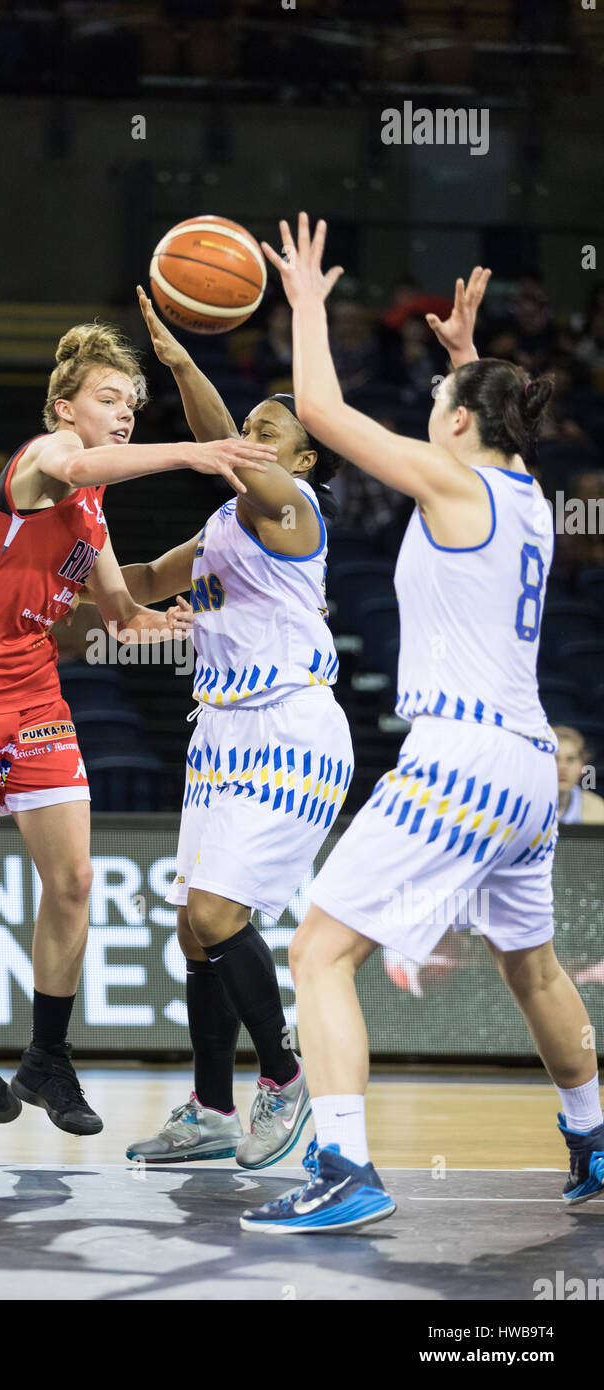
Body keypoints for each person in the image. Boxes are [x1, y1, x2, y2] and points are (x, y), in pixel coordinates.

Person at [240, 218, 603, 1234]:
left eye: (439, 403)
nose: (430, 412)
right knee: (527, 963)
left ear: (451, 428)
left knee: (316, 952)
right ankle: (593, 1131)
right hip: (535, 764)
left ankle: (345, 1166)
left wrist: (306, 304)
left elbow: (315, 407)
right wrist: (468, 363)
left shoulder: (448, 479)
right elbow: (498, 415)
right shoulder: (527, 493)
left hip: (463, 754)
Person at [0, 321, 274, 1139]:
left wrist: (184, 620)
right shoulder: (44, 459)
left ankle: (47, 1056)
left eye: (133, 403)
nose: (126, 413)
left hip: (28, 685)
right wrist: (194, 453)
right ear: (66, 409)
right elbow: (83, 463)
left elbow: (122, 615)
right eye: (110, 399)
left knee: (74, 880)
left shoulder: (92, 507)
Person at [123, 287, 353, 1170]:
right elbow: (143, 580)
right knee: (193, 925)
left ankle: (286, 1078)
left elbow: (231, 457)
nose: (253, 438)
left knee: (220, 913)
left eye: (270, 430)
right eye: (248, 425)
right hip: (219, 734)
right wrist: (66, 552)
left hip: (289, 725)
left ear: (303, 456)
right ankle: (212, 1110)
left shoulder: (294, 510)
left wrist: (181, 363)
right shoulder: (225, 522)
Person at [554, 725, 604, 824]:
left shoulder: (598, 809)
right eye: (555, 759)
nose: (563, 767)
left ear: (582, 765)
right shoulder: (523, 806)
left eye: (571, 759)